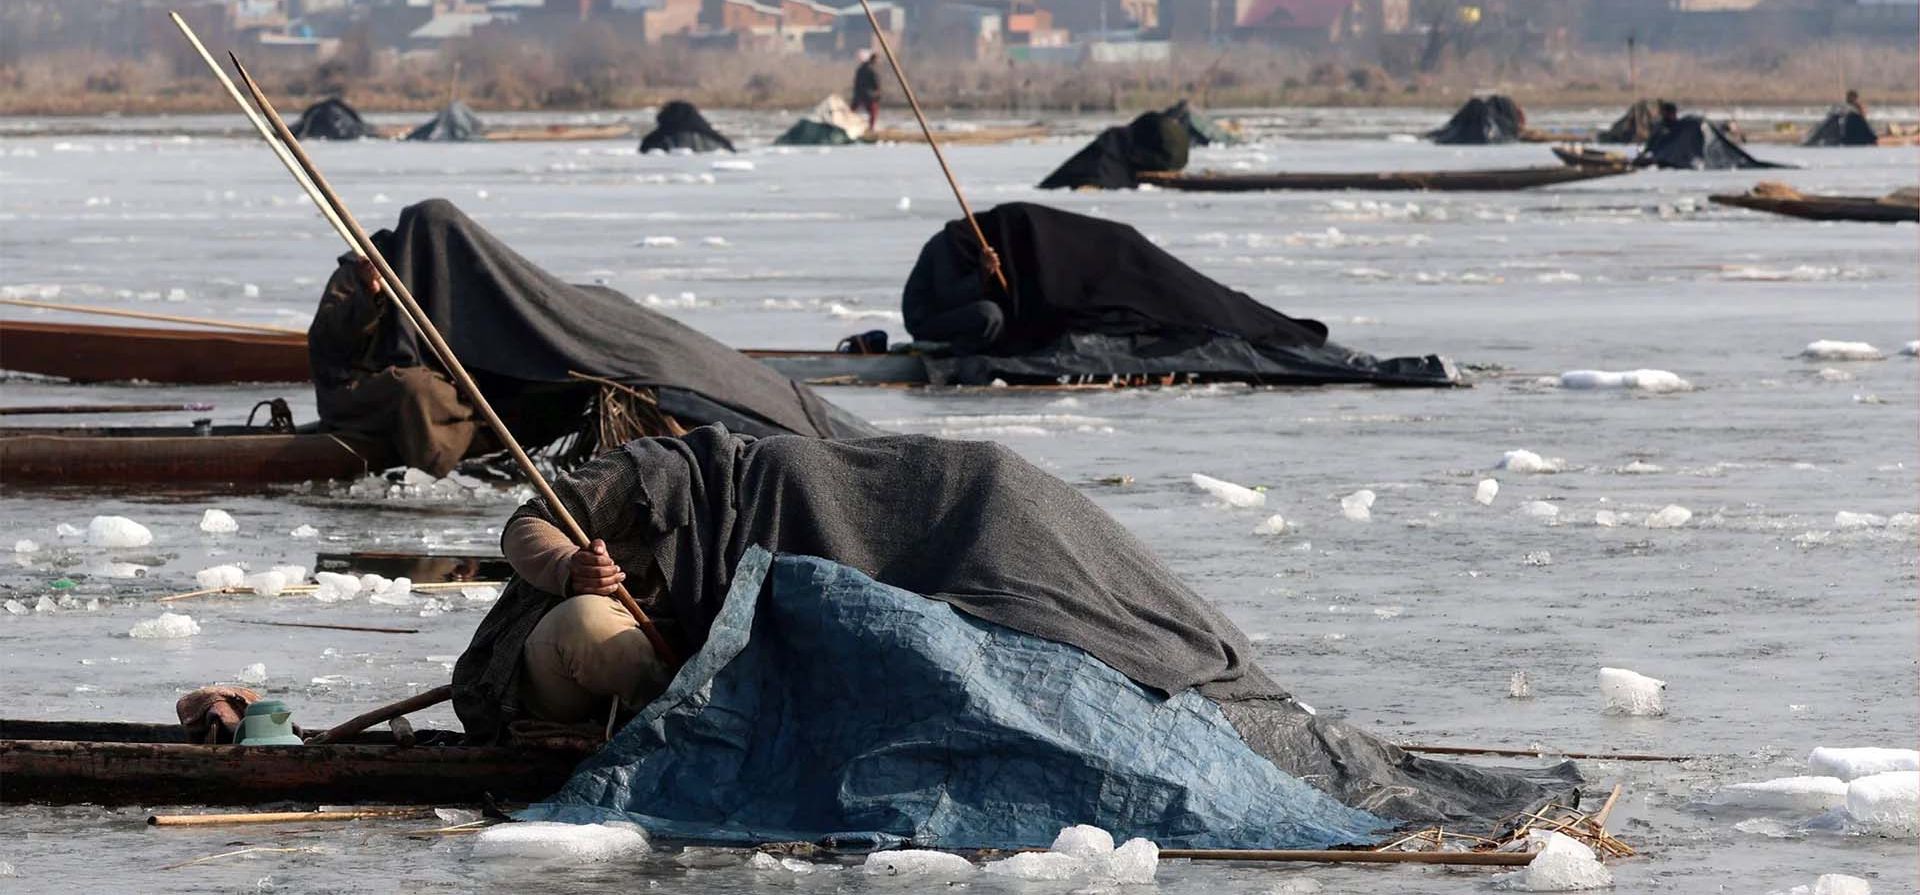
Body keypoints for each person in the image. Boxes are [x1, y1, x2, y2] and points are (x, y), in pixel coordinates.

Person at [454, 424, 1570, 830]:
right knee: (603, 634)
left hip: (718, 654)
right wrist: (574, 562)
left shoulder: (753, 493)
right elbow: (520, 529)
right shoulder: (645, 479)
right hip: (559, 656)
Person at [310, 253, 481, 477]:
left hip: (441, 378)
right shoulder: (356, 271)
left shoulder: (448, 266)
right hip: (359, 389)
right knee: (414, 387)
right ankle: (430, 469)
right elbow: (330, 337)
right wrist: (369, 293)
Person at [850, 49, 881, 131]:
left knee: (852, 110)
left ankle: (846, 123)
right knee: (873, 112)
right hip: (868, 95)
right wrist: (877, 94)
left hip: (859, 94)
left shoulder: (861, 69)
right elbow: (876, 84)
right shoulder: (871, 70)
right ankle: (871, 128)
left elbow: (856, 82)